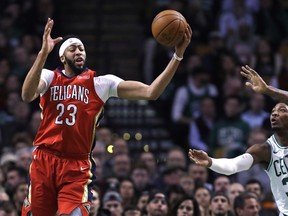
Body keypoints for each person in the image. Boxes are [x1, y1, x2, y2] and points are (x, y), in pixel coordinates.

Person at [21, 18, 192, 216]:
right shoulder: (49, 77)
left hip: (76, 166)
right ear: (62, 57)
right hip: (45, 159)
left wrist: (177, 56)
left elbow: (151, 92)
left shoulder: (101, 84)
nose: (78, 52)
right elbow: (26, 95)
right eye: (73, 49)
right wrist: (43, 54)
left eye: (81, 49)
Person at [189, 65, 288, 216]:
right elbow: (233, 165)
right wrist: (211, 162)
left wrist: (268, 91)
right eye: (273, 112)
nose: (274, 114)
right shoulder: (264, 150)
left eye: (282, 110)